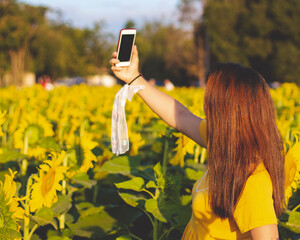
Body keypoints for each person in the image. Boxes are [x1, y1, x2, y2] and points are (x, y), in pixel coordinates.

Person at [110, 46, 284, 240]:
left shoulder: (253, 181)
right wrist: (134, 78)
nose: (205, 104)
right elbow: (181, 116)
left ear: (228, 111)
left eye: (211, 100)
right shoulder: (223, 142)